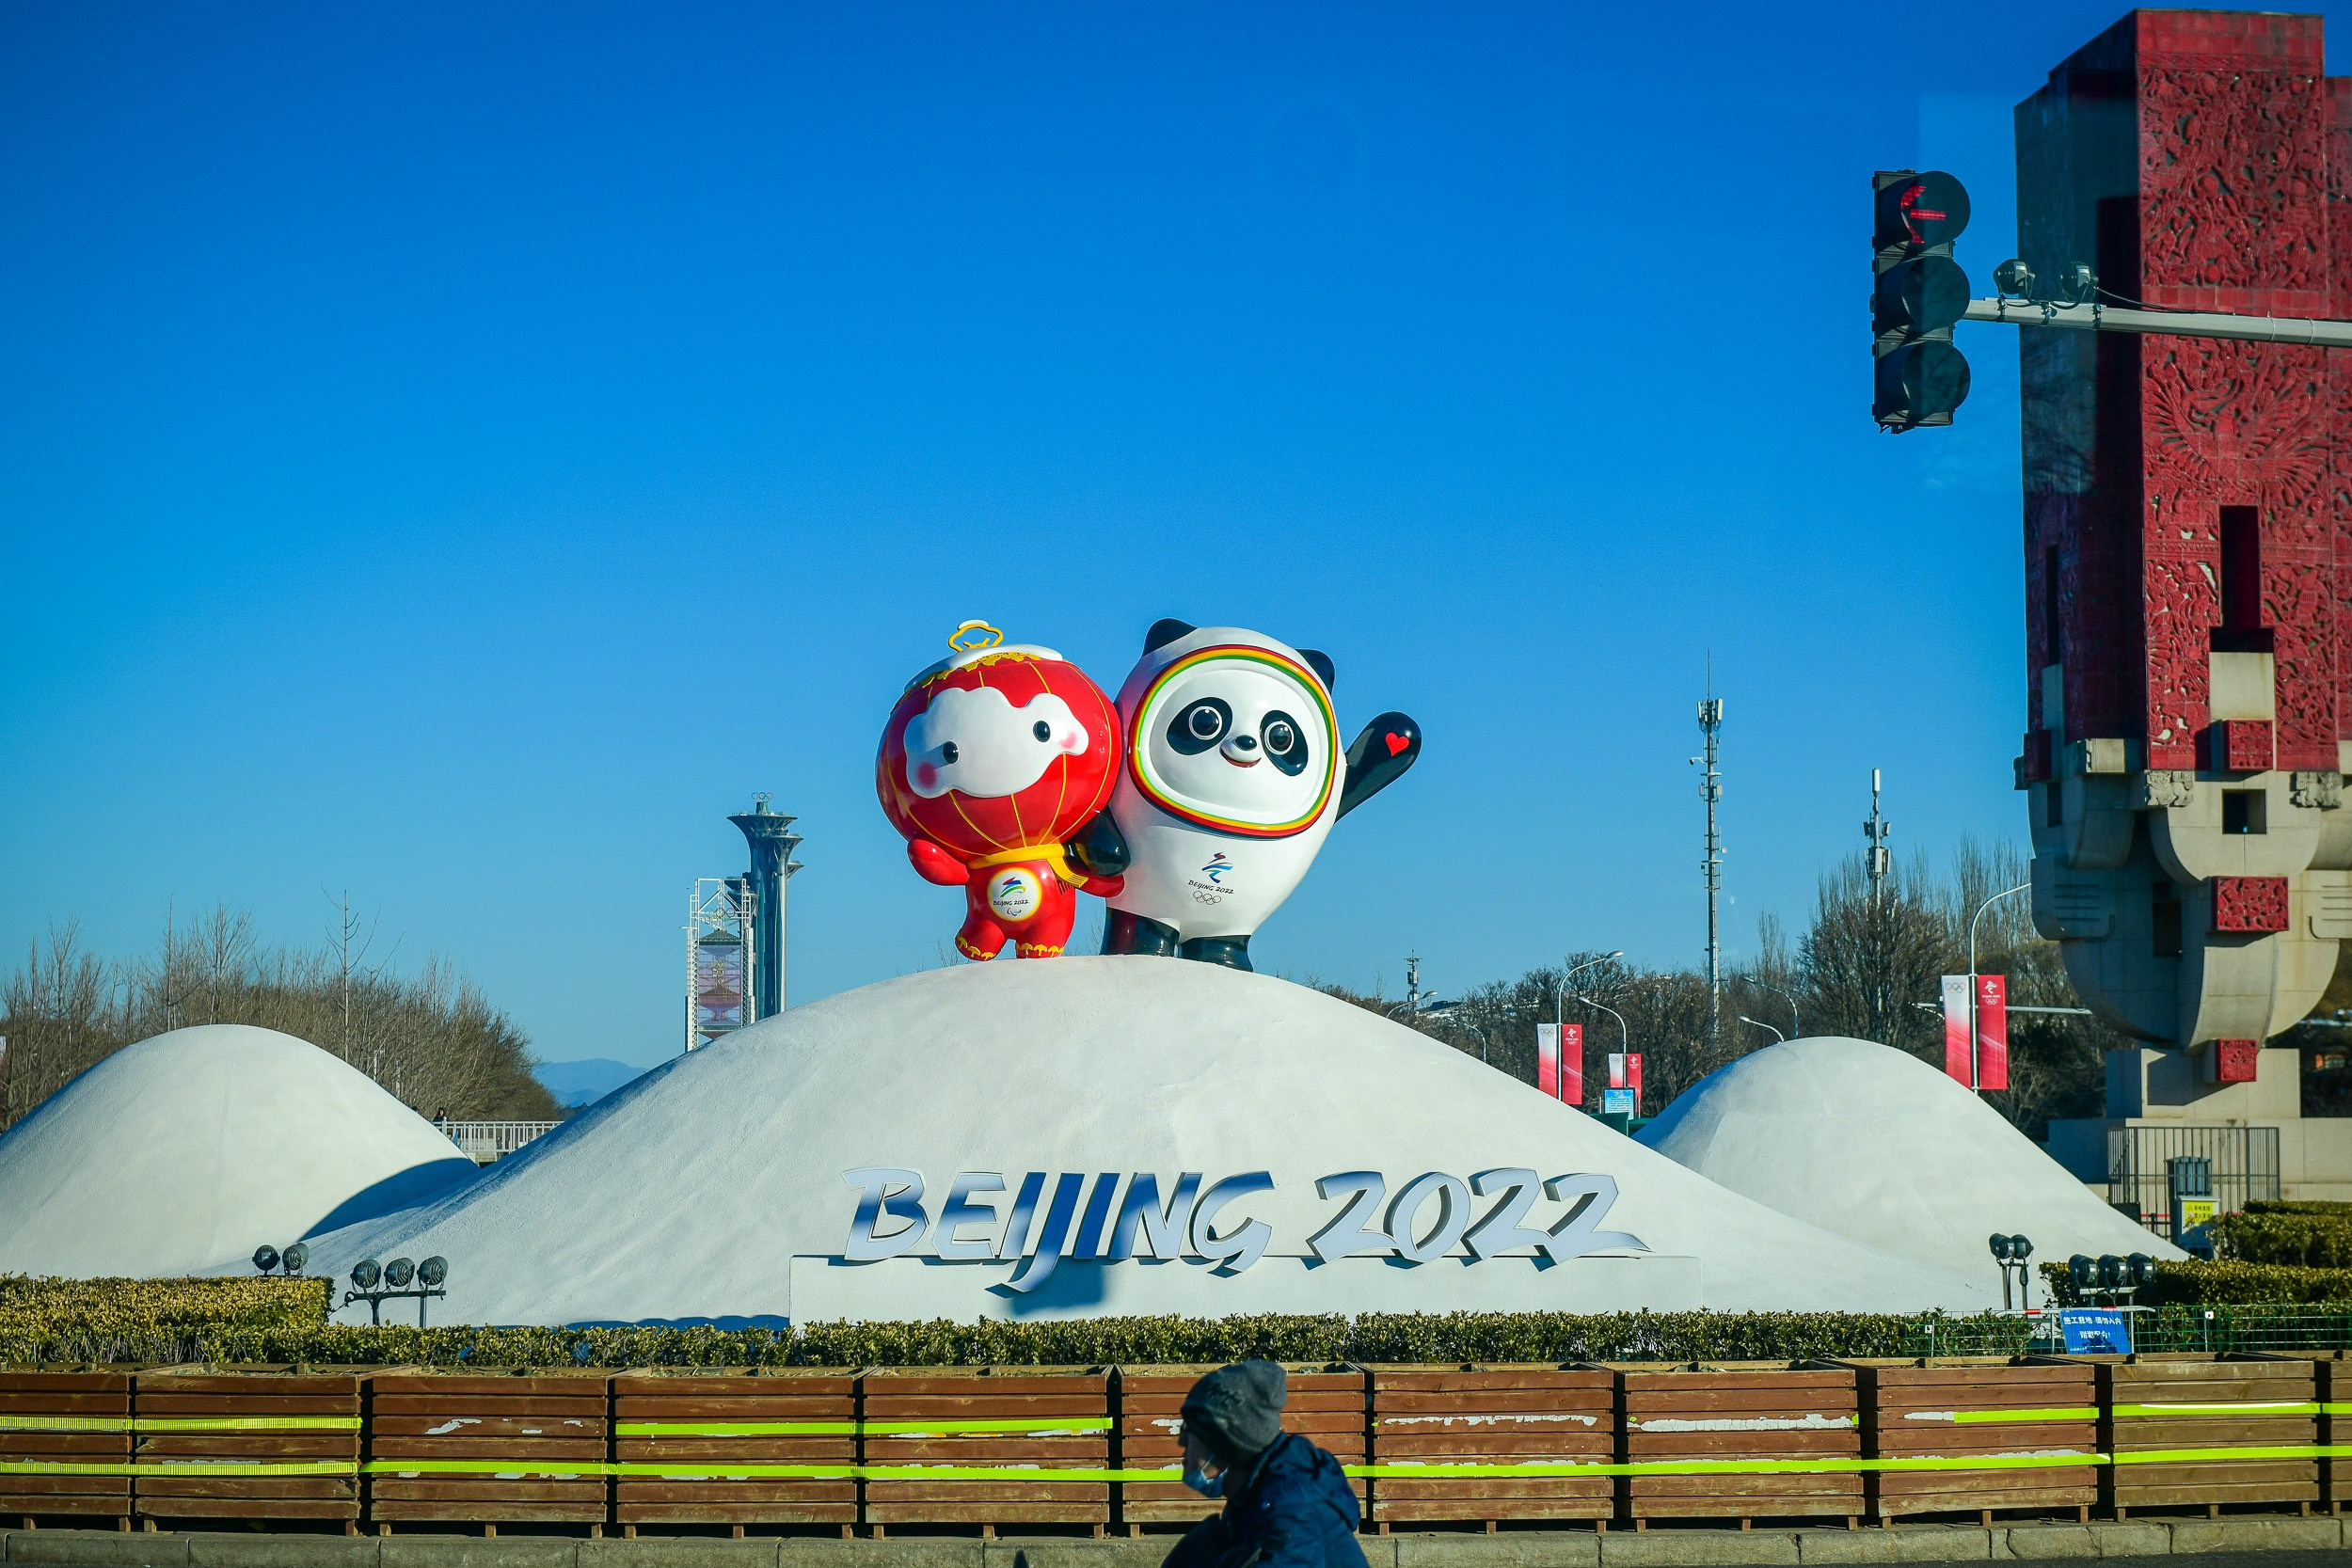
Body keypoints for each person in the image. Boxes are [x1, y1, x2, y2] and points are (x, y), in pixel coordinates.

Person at [1163, 1360, 1368, 1568]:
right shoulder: (1253, 1498)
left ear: (1226, 1444)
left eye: (1191, 1430)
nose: (1181, 1441)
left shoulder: (1292, 1508)